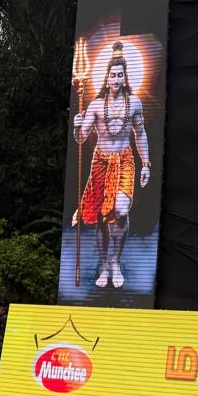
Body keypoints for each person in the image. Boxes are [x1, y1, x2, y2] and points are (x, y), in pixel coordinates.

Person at [74, 42, 150, 289]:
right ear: (106, 79)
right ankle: (104, 265)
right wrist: (77, 125)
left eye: (120, 74)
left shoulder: (135, 103)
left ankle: (116, 261)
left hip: (125, 161)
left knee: (121, 210)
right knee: (101, 217)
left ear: (126, 77)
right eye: (112, 75)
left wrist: (146, 164)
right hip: (101, 163)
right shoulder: (96, 106)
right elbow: (81, 138)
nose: (116, 79)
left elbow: (140, 134)